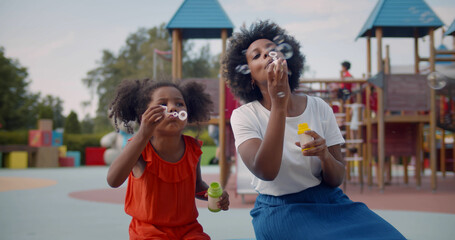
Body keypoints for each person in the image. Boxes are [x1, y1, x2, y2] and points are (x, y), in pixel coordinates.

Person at [223, 20, 405, 240]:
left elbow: (337, 177)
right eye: (256, 55)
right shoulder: (244, 115)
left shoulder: (319, 107)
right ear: (249, 77)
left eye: (272, 49)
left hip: (329, 201)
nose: (266, 54)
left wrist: (325, 155)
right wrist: (279, 102)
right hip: (279, 208)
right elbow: (266, 172)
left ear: (287, 63)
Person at [106, 79, 230, 240]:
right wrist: (143, 134)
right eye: (163, 104)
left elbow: (196, 185)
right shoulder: (139, 148)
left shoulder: (192, 148)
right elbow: (113, 180)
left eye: (179, 104)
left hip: (188, 229)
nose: (172, 108)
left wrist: (213, 194)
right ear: (144, 114)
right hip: (149, 231)